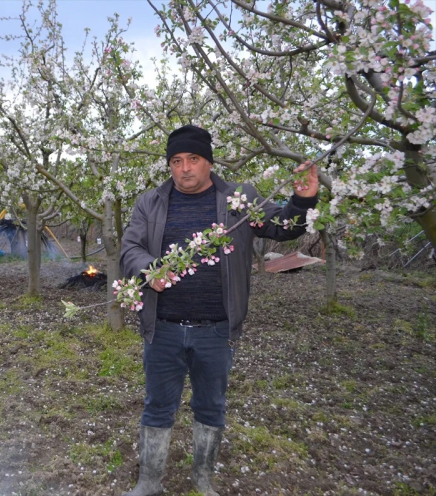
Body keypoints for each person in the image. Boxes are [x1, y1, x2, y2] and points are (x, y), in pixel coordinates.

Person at [119, 124, 319, 496]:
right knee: (157, 405)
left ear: (209, 162)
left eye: (193, 159)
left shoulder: (238, 200)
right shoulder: (150, 202)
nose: (184, 169)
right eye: (176, 161)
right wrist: (148, 269)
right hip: (162, 327)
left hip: (215, 330)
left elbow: (282, 227)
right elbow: (130, 248)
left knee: (210, 407)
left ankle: (202, 479)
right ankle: (149, 482)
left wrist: (303, 201)